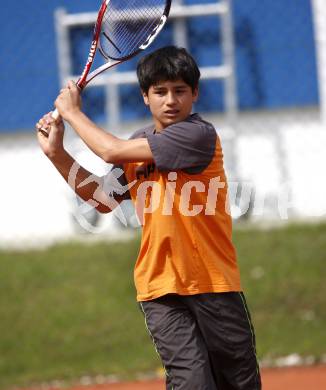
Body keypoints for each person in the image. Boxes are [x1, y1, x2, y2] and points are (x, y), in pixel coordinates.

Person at [36, 46, 261, 390]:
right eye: (159, 91)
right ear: (145, 96)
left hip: (213, 283)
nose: (171, 100)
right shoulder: (139, 142)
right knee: (193, 383)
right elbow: (101, 199)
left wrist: (73, 113)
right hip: (159, 288)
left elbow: (109, 150)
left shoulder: (199, 135)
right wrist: (57, 154)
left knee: (239, 383)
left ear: (195, 94)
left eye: (180, 90)